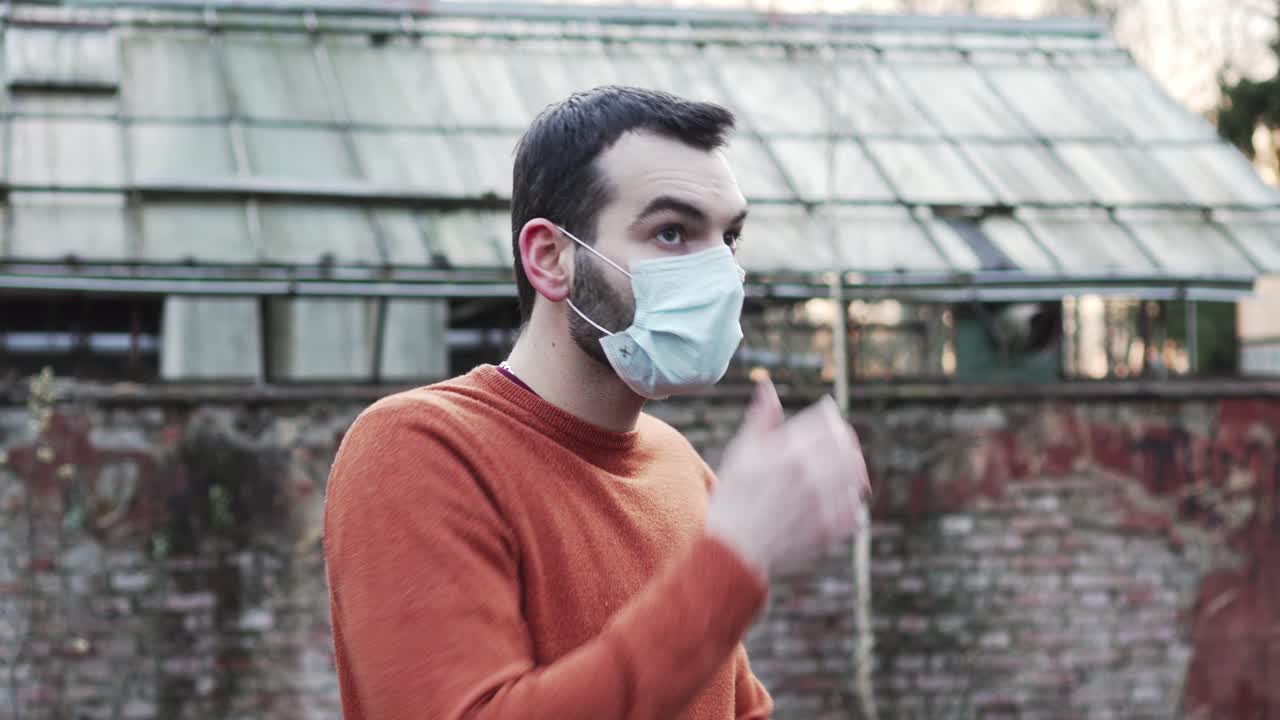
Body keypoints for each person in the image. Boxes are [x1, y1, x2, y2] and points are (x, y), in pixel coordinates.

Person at [324, 85, 871, 720]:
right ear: (550, 259)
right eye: (672, 233)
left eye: (729, 238)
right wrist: (733, 564)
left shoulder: (679, 466)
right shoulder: (419, 450)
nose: (720, 274)